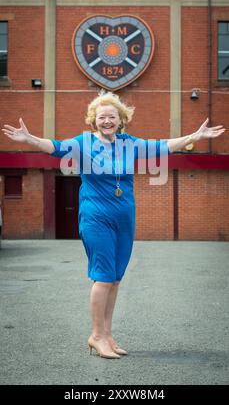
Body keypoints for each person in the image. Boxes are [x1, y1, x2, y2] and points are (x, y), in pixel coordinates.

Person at [2, 90, 226, 359]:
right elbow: (56, 147)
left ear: (121, 120)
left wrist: (193, 137)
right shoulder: (83, 142)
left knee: (116, 278)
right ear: (93, 120)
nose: (107, 121)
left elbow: (162, 146)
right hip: (96, 216)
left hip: (124, 217)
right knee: (103, 275)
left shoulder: (128, 143)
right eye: (101, 117)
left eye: (112, 116)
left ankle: (107, 334)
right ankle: (96, 336)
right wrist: (30, 139)